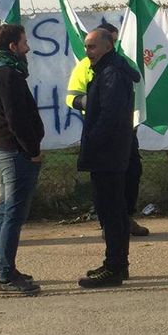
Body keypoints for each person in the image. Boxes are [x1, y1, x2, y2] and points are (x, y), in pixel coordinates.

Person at [0, 23, 45, 295]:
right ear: (12, 47)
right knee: (13, 215)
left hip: (5, 150)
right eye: (24, 42)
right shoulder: (8, 75)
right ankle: (5, 277)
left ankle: (6, 268)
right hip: (15, 153)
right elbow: (16, 119)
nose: (28, 47)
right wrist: (33, 151)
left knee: (6, 213)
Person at [67, 21, 148, 237]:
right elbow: (71, 98)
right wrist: (92, 103)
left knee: (132, 174)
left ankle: (125, 218)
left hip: (126, 129)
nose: (88, 51)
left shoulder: (123, 65)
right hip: (100, 133)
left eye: (116, 39)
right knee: (105, 187)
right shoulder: (84, 66)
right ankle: (111, 226)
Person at [76, 27, 139, 288]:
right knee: (113, 210)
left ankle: (114, 267)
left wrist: (92, 142)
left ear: (107, 46)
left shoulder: (111, 73)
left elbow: (109, 115)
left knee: (111, 211)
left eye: (92, 47)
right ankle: (116, 263)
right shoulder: (107, 70)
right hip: (110, 152)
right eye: (86, 47)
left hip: (108, 154)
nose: (87, 52)